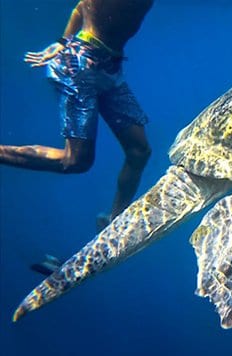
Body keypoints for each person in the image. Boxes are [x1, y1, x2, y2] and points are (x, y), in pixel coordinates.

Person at [0, 0, 155, 231]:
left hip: (110, 67)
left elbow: (81, 6)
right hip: (79, 64)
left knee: (139, 150)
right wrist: (65, 43)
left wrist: (63, 40)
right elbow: (85, 4)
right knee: (75, 161)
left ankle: (113, 219)